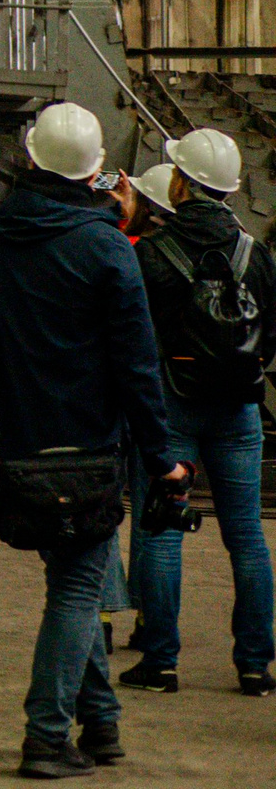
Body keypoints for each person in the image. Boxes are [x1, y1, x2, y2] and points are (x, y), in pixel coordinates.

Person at [0, 102, 188, 779]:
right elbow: (137, 367)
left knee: (72, 580)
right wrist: (162, 458)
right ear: (94, 172)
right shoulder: (107, 248)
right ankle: (47, 738)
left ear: (30, 159)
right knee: (79, 590)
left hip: (18, 449)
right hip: (89, 451)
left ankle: (102, 724)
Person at [124, 128, 275, 698]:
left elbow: (133, 338)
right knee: (247, 537)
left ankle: (160, 663)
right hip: (238, 411)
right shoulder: (256, 254)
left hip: (171, 406)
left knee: (163, 533)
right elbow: (269, 334)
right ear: (229, 190)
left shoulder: (150, 254)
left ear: (181, 185)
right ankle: (255, 666)